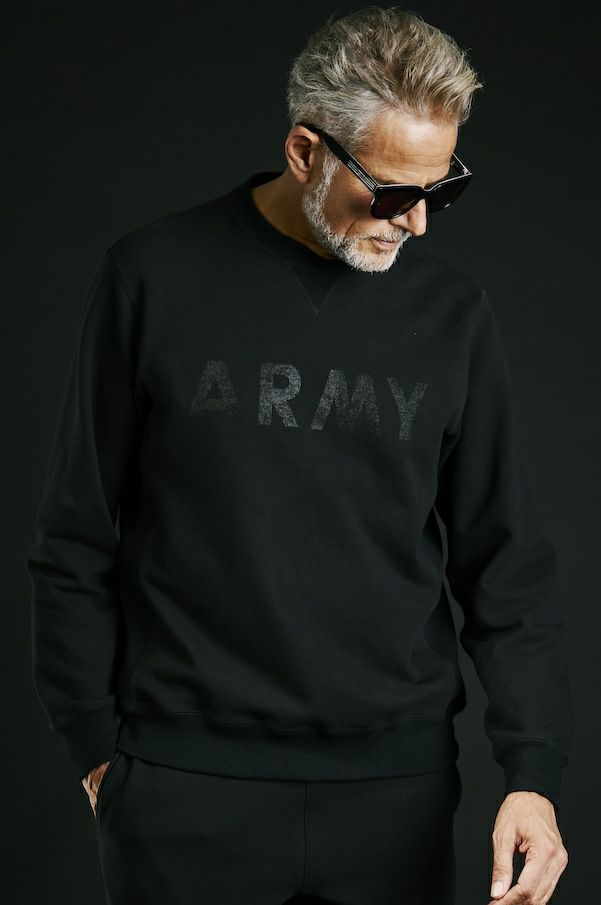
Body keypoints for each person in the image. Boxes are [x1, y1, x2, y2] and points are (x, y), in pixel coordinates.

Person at [26, 6, 573, 904]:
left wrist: (533, 774)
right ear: (304, 151)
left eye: (441, 190)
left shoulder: (452, 315)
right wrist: (94, 746)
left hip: (395, 796)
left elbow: (506, 562)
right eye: (391, 193)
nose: (418, 222)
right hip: (183, 787)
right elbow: (74, 535)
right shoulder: (152, 277)